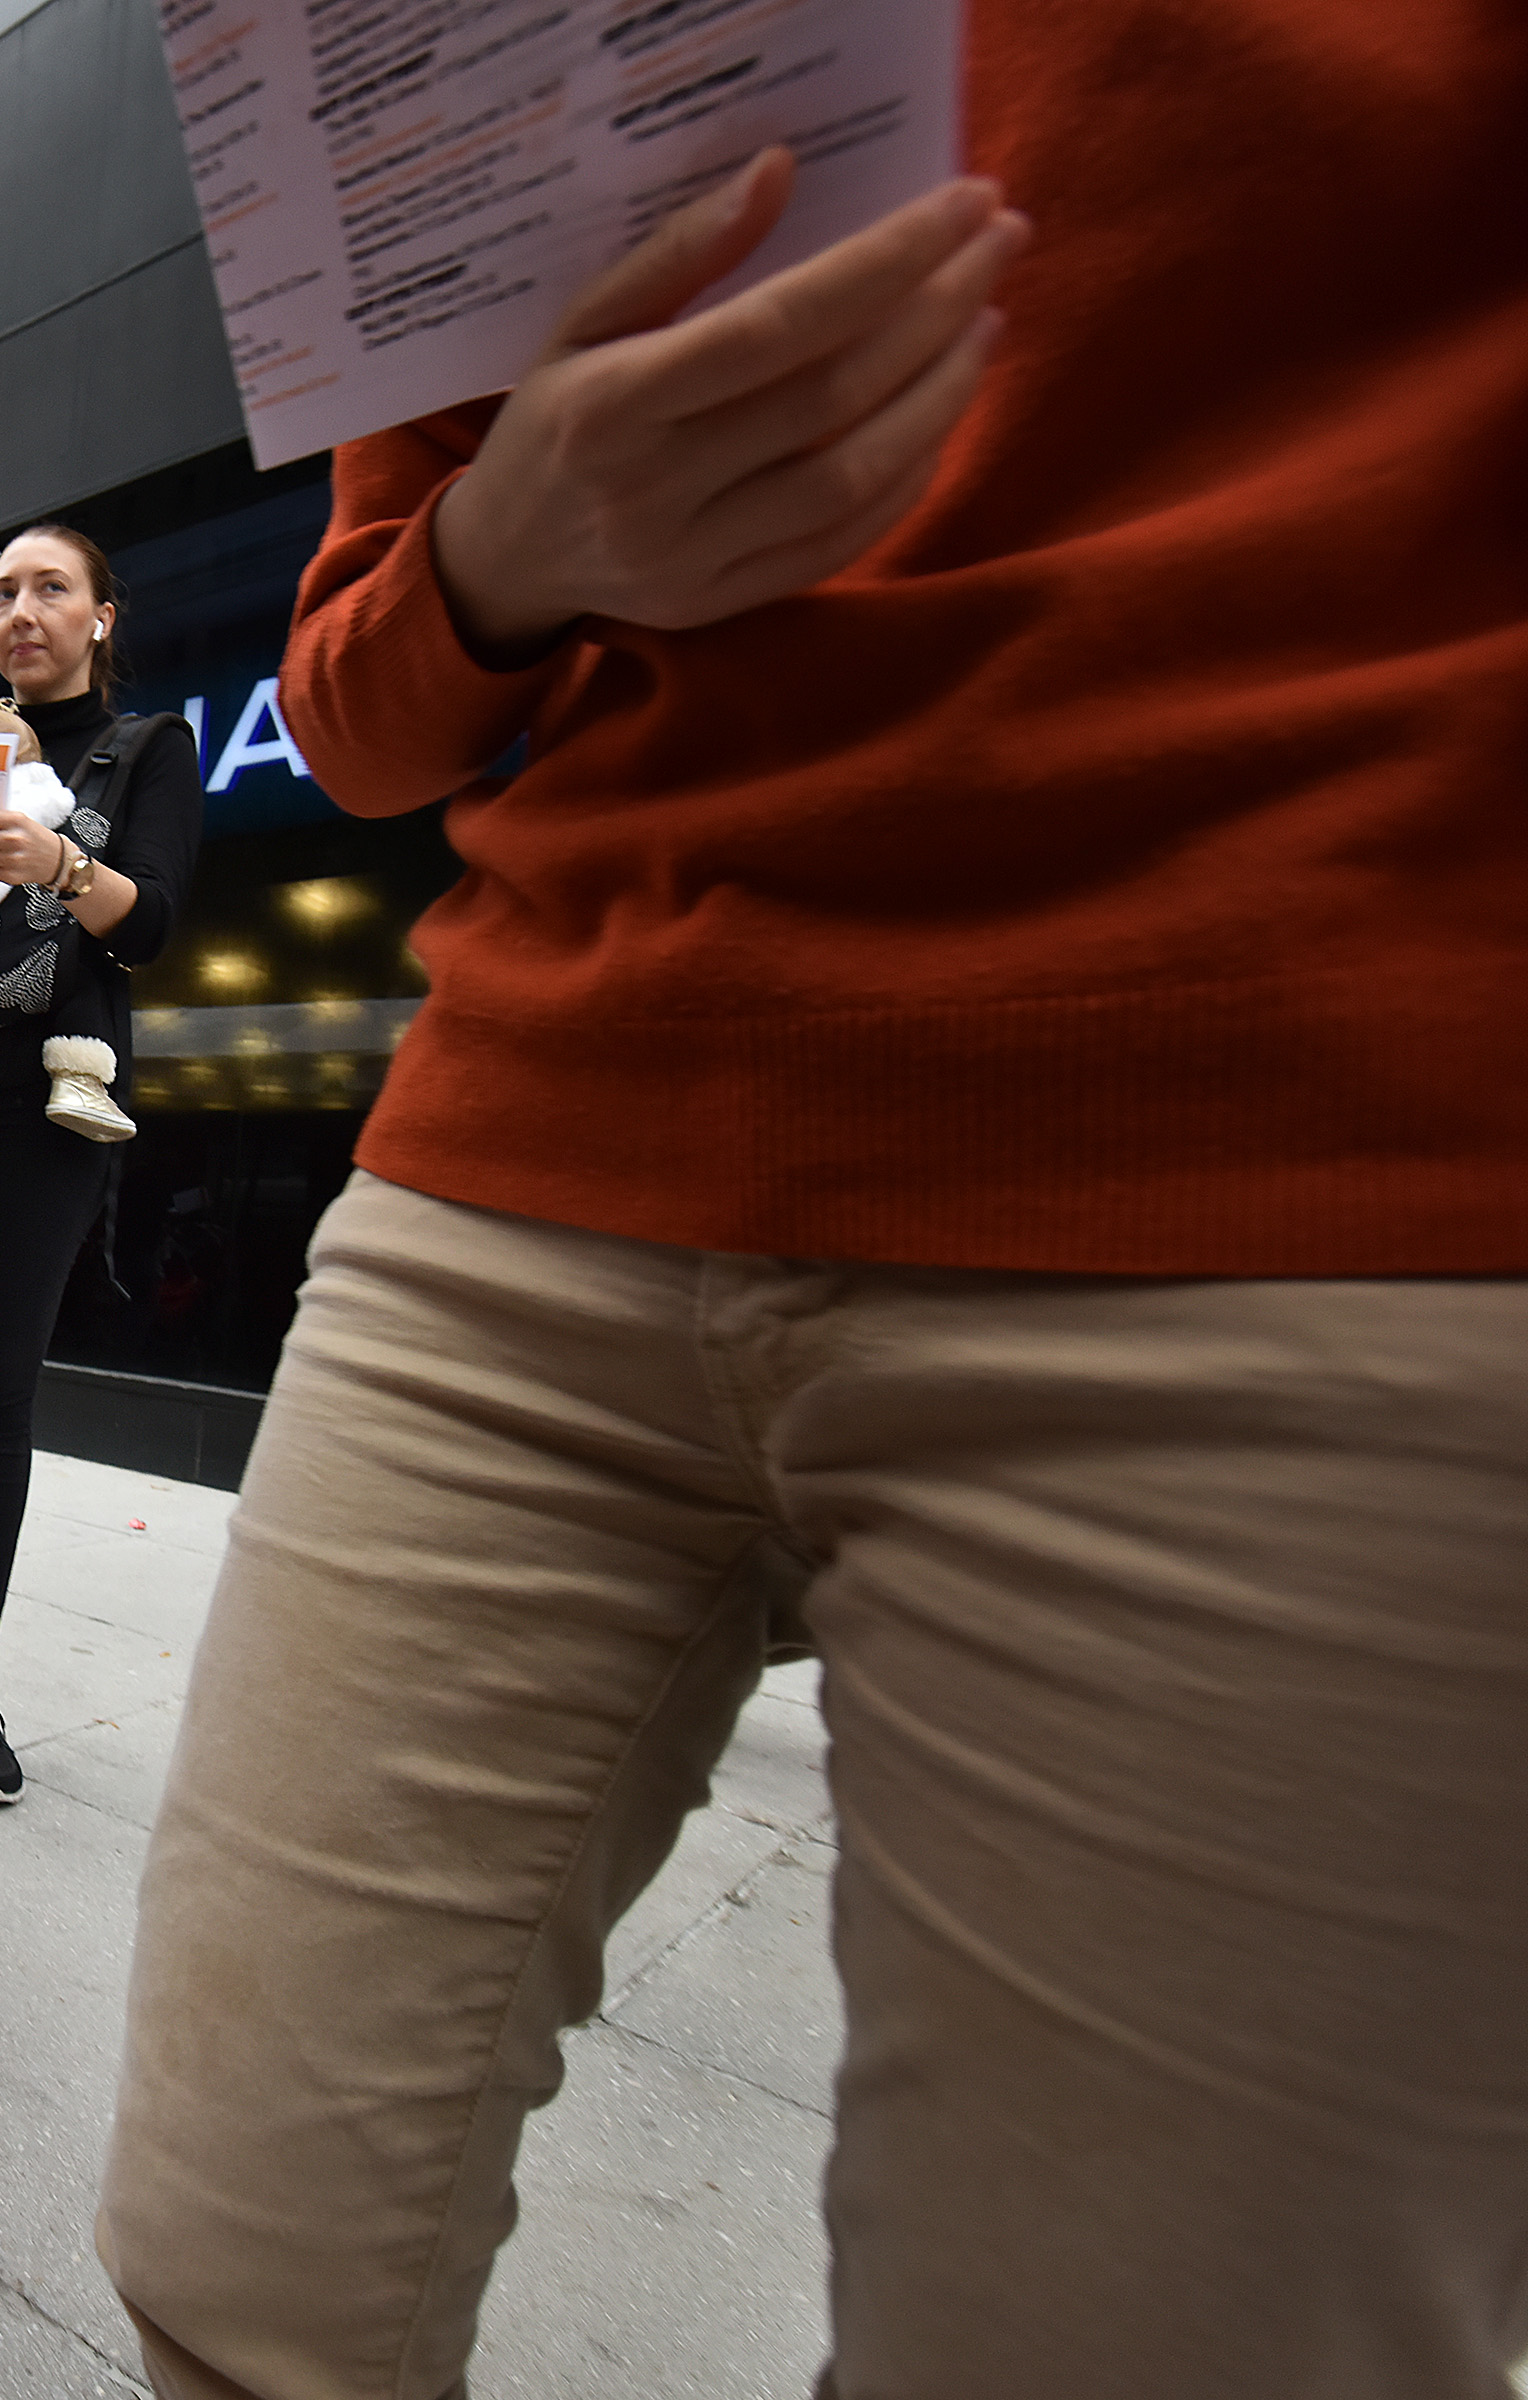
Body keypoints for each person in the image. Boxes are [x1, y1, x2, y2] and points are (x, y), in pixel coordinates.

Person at [97, 8, 1528, 2391]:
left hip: (1292, 1155)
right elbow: (359, 684)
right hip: (526, 1162)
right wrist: (510, 543)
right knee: (230, 2263)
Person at [0, 526, 201, 1804]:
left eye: (50, 588)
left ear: (102, 616)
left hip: (48, 1110)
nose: (21, 610)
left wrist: (65, 866)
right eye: (5, 591)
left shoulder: (149, 750)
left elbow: (161, 923)